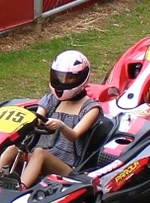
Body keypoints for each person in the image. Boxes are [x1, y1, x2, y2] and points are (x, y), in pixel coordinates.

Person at [8, 51, 101, 189]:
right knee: (12, 149)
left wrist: (61, 125)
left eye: (69, 78)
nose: (62, 82)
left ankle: (20, 189)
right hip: (39, 157)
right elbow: (36, 120)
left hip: (68, 167)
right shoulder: (51, 100)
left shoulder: (91, 109)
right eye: (58, 77)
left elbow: (74, 136)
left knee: (39, 152)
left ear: (81, 78)